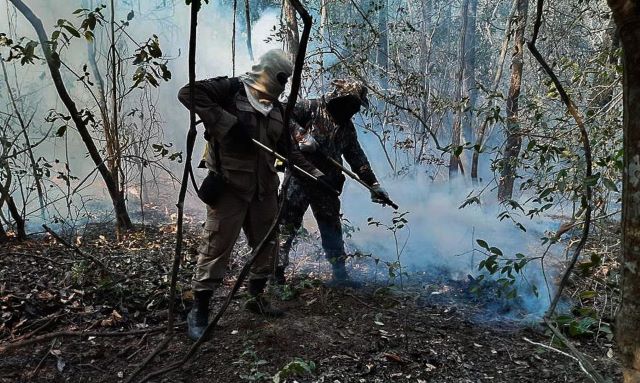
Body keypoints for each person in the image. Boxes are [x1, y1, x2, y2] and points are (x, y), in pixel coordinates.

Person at [177, 49, 324, 340]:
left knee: (267, 245)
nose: (283, 84)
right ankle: (200, 309)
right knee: (217, 247)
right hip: (229, 187)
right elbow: (188, 93)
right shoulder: (230, 90)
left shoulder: (278, 110)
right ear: (268, 71)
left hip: (264, 190)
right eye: (281, 77)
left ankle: (255, 297)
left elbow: (289, 150)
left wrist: (315, 174)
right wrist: (228, 125)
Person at [276, 79, 390, 287]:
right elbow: (281, 114)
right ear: (341, 99)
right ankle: (276, 273)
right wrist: (300, 135)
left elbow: (357, 158)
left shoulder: (347, 128)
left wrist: (373, 184)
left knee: (332, 228)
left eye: (357, 106)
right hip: (299, 178)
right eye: (353, 104)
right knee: (286, 225)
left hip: (326, 184)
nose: (354, 110)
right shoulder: (309, 107)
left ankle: (339, 274)